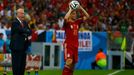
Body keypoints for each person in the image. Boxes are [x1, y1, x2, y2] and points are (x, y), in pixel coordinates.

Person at [62, 2, 89, 75]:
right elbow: (65, 18)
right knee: (69, 61)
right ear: (70, 15)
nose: (75, 15)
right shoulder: (67, 23)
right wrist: (70, 9)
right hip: (68, 45)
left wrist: (81, 8)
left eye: (75, 14)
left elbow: (87, 16)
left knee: (73, 65)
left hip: (75, 46)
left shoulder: (77, 22)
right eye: (73, 14)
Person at [10, 8, 31, 75]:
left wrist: (25, 31)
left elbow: (29, 31)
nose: (23, 15)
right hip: (16, 47)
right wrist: (25, 31)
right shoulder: (14, 22)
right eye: (22, 13)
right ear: (18, 14)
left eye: (23, 13)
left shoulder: (25, 22)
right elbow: (20, 30)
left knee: (22, 65)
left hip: (24, 47)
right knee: (16, 65)